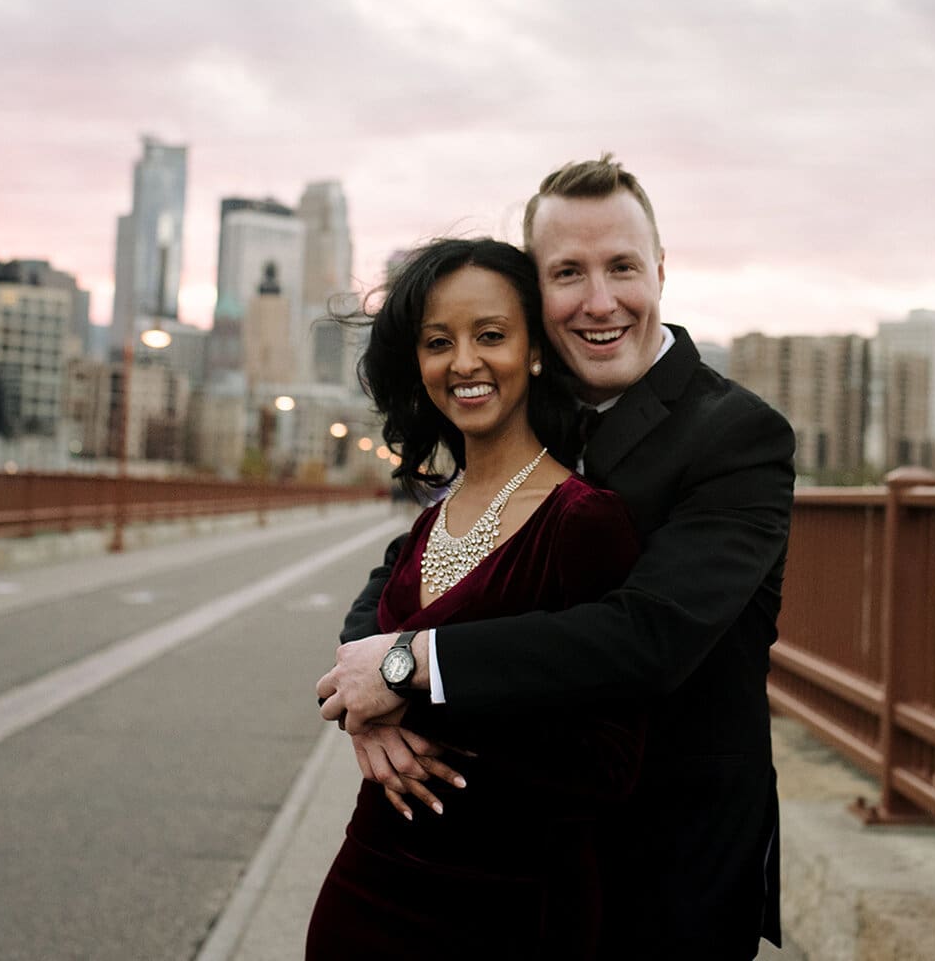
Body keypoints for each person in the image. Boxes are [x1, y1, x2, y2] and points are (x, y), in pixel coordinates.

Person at [318, 156, 796, 959]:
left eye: (622, 267)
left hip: (666, 865)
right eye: (568, 272)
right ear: (537, 296)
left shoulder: (736, 434)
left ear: (661, 272)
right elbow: (410, 564)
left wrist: (405, 664)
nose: (600, 300)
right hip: (516, 870)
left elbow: (648, 635)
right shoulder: (534, 412)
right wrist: (365, 687)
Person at [305, 238, 643, 961]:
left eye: (490, 335)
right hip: (368, 885)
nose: (463, 361)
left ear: (536, 352)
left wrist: (408, 697)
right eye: (438, 341)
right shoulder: (433, 517)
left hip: (511, 907)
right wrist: (368, 719)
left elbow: (611, 759)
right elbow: (358, 667)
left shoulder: (583, 519)